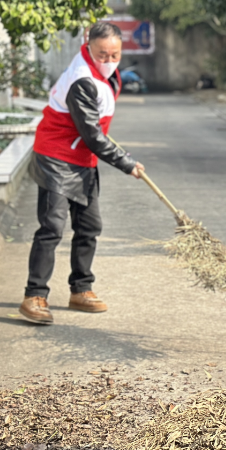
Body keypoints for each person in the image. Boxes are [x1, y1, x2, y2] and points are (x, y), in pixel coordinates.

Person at [19, 22, 145, 325]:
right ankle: (34, 296)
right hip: (57, 158)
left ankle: (81, 289)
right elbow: (91, 135)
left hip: (82, 159)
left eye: (115, 54)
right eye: (103, 54)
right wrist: (126, 163)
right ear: (89, 47)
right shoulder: (82, 80)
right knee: (52, 227)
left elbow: (94, 132)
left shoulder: (106, 74)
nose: (110, 60)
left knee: (90, 226)